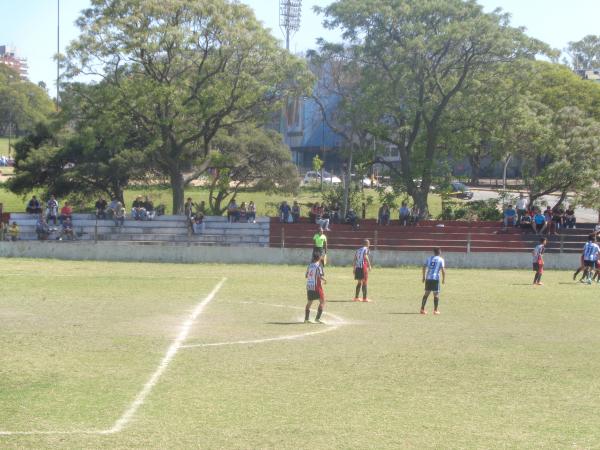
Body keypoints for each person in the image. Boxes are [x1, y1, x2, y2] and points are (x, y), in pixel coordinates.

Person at [421, 247, 446, 314]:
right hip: (435, 279)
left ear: (434, 252)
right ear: (439, 252)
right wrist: (443, 279)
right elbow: (443, 270)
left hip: (428, 278)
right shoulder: (441, 259)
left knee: (426, 293)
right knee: (436, 294)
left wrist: (423, 277)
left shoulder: (429, 258)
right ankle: (435, 310)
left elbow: (424, 267)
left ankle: (422, 309)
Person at [304, 253, 326, 324]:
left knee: (309, 302)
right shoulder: (318, 266)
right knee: (322, 301)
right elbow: (320, 276)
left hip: (309, 286)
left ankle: (306, 319)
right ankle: (317, 318)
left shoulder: (310, 265)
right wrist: (325, 280)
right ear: (319, 258)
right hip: (316, 286)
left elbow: (306, 275)